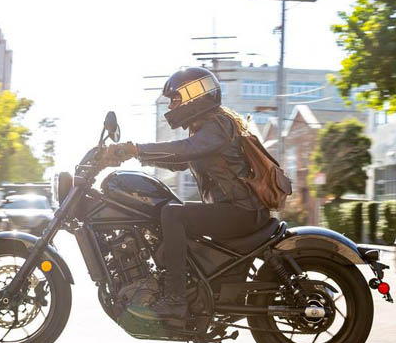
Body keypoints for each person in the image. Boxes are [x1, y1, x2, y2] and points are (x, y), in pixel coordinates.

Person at [106, 66, 278, 321]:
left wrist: (135, 149)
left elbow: (187, 150)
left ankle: (176, 299)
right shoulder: (207, 127)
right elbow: (180, 161)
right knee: (169, 209)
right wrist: (135, 157)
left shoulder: (217, 124)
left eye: (176, 100)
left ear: (194, 97)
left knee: (173, 214)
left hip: (242, 211)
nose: (172, 107)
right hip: (236, 209)